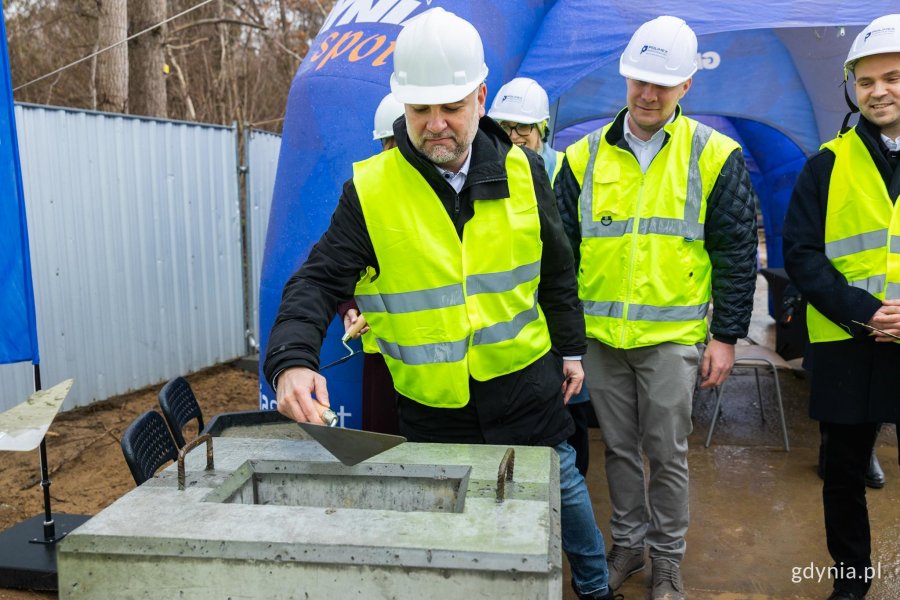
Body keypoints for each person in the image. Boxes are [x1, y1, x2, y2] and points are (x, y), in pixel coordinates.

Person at [264, 8, 615, 600]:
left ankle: (596, 586)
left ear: (480, 97)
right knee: (452, 517)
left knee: (562, 484)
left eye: (450, 107)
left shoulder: (526, 171)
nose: (435, 125)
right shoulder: (371, 190)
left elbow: (556, 271)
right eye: (420, 109)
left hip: (523, 383)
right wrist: (292, 360)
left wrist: (572, 351)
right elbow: (317, 281)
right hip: (433, 403)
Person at [554, 15, 758, 600]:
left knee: (666, 453)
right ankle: (628, 546)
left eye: (662, 83)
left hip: (671, 339)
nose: (648, 94)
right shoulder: (582, 157)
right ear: (625, 77)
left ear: (686, 84)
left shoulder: (714, 155)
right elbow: (561, 255)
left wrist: (726, 336)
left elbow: (736, 252)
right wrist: (569, 340)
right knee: (618, 449)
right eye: (639, 79)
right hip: (601, 339)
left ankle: (667, 558)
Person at [783, 14, 900, 600]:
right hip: (846, 341)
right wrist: (865, 311)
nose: (878, 91)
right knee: (843, 474)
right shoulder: (826, 164)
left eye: (892, 77)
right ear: (851, 87)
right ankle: (851, 582)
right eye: (866, 80)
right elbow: (801, 254)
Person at [489, 77, 595, 477]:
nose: (514, 136)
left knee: (571, 408)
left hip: (562, 306)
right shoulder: (490, 171)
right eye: (505, 127)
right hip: (517, 315)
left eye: (523, 127)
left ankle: (570, 486)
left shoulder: (565, 170)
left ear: (542, 129)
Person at [337, 93, 405, 435]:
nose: (392, 155)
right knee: (383, 443)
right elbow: (339, 267)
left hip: (434, 360)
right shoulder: (364, 196)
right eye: (387, 145)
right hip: (380, 355)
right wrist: (349, 308)